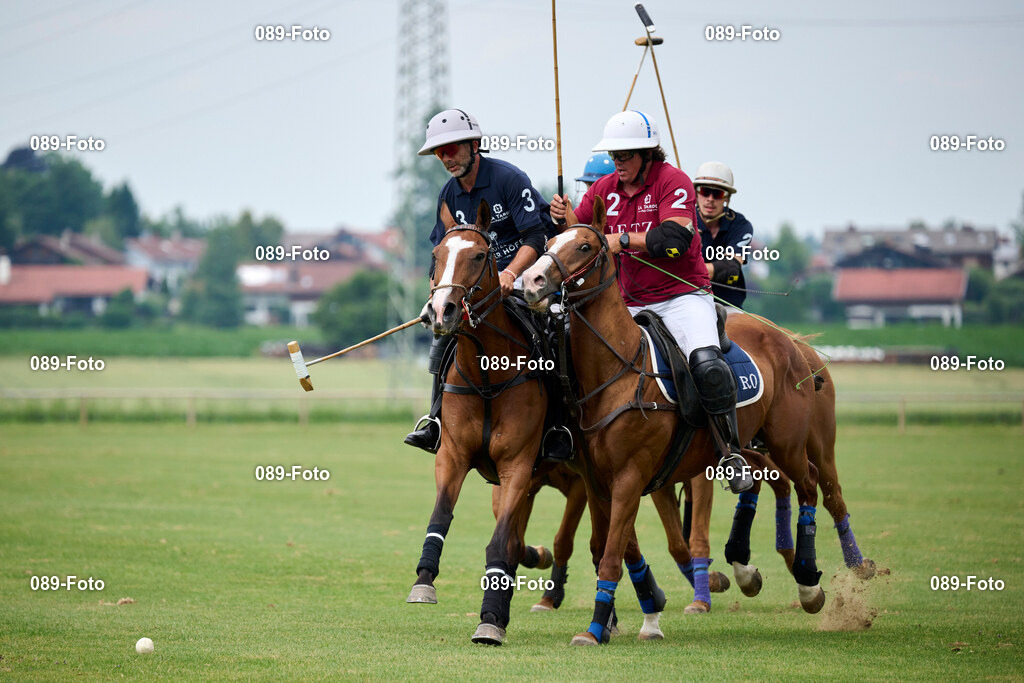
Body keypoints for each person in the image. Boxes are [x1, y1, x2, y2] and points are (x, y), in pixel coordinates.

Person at [549, 110, 752, 493]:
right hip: (627, 301)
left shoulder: (672, 181)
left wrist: (622, 239)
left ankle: (730, 451)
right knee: (565, 354)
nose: (617, 162)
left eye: (625, 155)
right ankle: (564, 437)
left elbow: (675, 238)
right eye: (614, 155)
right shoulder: (603, 188)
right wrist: (563, 218)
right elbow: (581, 236)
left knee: (706, 363)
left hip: (682, 297)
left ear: (647, 153)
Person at [405, 108, 572, 460]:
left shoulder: (508, 179)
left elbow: (536, 236)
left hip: (529, 277)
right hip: (478, 289)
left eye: (452, 149)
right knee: (444, 338)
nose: (446, 158)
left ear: (474, 145)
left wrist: (510, 274)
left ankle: (560, 426)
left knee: (558, 334)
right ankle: (435, 420)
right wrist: (435, 296)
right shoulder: (448, 195)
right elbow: (440, 254)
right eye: (439, 152)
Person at [694, 162, 753, 309]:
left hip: (728, 305)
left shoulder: (740, 225)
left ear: (727, 198)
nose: (710, 199)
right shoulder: (683, 221)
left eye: (718, 194)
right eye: (705, 191)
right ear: (696, 193)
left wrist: (690, 270)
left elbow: (730, 268)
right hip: (688, 302)